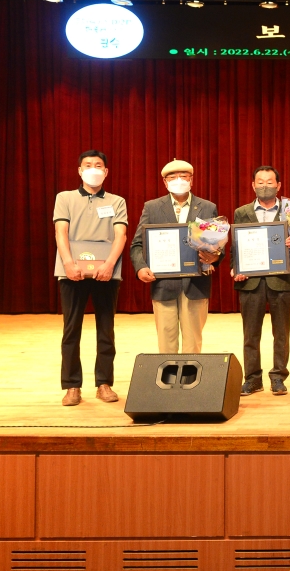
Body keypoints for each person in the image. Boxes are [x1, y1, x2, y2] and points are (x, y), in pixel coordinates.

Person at [52, 150, 128, 406]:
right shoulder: (65, 198)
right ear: (79, 170)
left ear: (106, 172)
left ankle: (104, 383)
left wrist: (109, 265)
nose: (93, 168)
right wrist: (68, 263)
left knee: (106, 329)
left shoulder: (117, 201)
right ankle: (72, 386)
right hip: (71, 272)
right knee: (71, 329)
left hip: (106, 273)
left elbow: (120, 236)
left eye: (98, 165)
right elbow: (61, 232)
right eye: (88, 165)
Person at [129, 160, 221, 354]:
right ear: (165, 182)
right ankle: (168, 382)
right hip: (163, 284)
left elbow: (215, 245)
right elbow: (138, 244)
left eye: (184, 176)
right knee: (166, 342)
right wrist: (140, 267)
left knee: (193, 343)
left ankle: (190, 382)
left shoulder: (207, 207)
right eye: (173, 177)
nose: (178, 180)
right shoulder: (152, 208)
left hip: (196, 285)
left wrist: (214, 258)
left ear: (191, 180)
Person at [230, 165, 290, 397]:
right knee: (250, 334)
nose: (265, 186)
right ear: (253, 185)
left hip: (281, 280)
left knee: (281, 333)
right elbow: (235, 246)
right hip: (250, 282)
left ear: (278, 185)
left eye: (269, 182)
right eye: (260, 182)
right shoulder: (241, 212)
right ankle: (252, 379)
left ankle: (278, 376)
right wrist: (236, 268)